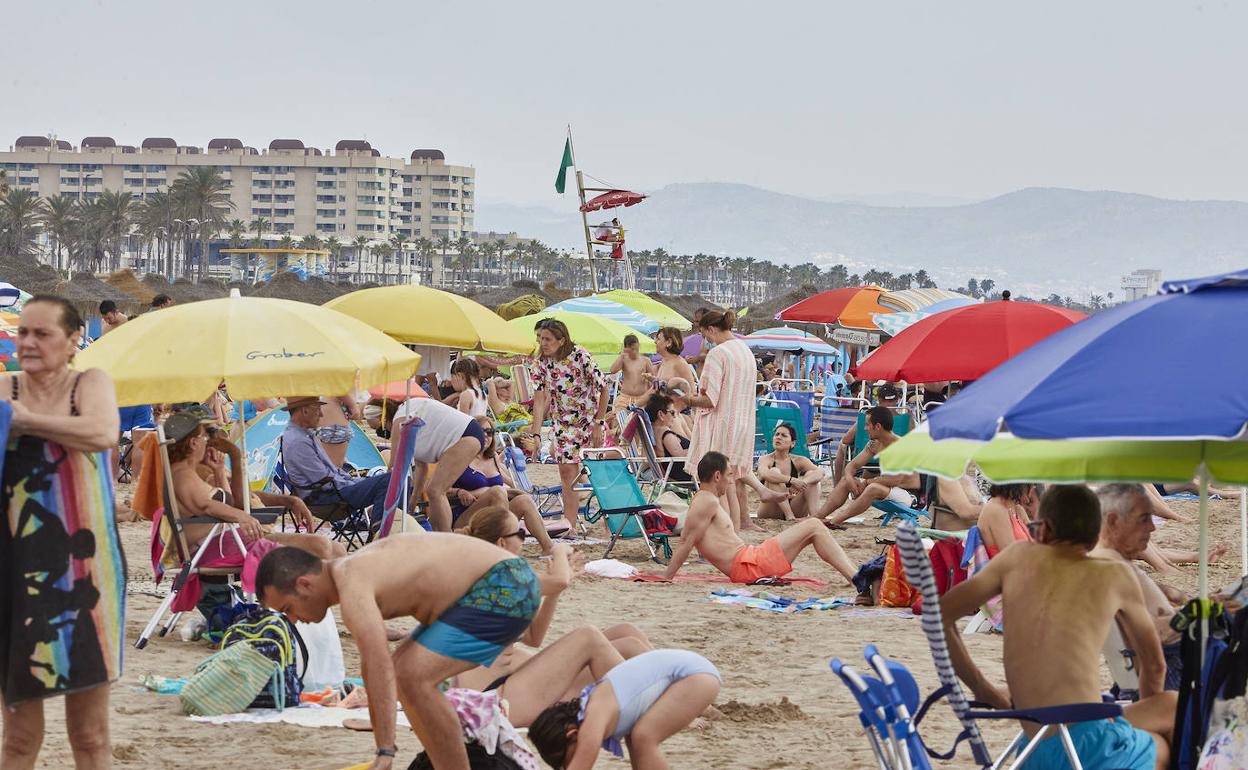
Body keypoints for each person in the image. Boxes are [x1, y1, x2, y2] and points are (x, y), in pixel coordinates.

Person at [255, 533, 542, 770]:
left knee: (412, 675)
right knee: (407, 674)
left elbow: (376, 664)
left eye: (287, 609)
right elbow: (378, 669)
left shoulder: (352, 585)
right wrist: (384, 745)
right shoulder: (350, 571)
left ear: (304, 584)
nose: (292, 620)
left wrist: (385, 751)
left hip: (506, 584)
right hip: (497, 583)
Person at [941, 485, 1175, 770]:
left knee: (1155, 714)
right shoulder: (1114, 574)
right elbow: (1155, 667)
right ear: (1096, 532)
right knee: (1170, 723)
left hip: (1033, 747)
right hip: (1087, 747)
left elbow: (942, 616)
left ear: (1046, 527)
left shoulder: (1016, 558)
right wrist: (1143, 717)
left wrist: (983, 689)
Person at [0, 295, 124, 769]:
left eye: (42, 333)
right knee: (18, 736)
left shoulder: (88, 384)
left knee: (90, 736)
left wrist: (25, 422)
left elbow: (102, 432)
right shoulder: (4, 388)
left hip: (85, 577)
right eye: (22, 333)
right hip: (15, 575)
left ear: (74, 341)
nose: (28, 343)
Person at [1091, 483, 1227, 691]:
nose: (1152, 527)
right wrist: (1202, 609)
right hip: (1171, 672)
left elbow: (1146, 600)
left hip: (1169, 662)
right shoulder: (1112, 569)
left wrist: (1180, 596)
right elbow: (1157, 635)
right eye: (1144, 519)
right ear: (1113, 521)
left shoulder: (1113, 563)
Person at [652, 452, 856, 585]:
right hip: (748, 567)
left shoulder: (707, 500)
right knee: (813, 525)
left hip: (749, 562)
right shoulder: (706, 501)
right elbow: (686, 541)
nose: (731, 480)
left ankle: (855, 576)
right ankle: (856, 578)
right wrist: (667, 576)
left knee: (813, 528)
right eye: (729, 475)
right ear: (717, 476)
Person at [165, 410, 344, 560]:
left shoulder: (189, 472)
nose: (211, 440)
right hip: (214, 549)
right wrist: (243, 517)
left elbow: (227, 503)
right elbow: (207, 505)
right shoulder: (183, 475)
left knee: (337, 549)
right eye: (205, 436)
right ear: (193, 443)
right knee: (321, 547)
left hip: (225, 540)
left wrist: (219, 470)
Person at [527, 649, 721, 769]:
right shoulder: (591, 709)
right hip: (690, 670)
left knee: (644, 736)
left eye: (564, 761)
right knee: (636, 738)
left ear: (571, 734)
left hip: (695, 676)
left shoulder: (593, 718)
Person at [685, 309, 769, 532]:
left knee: (717, 483)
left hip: (720, 426)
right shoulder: (745, 351)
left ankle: (725, 532)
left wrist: (687, 399)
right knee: (734, 479)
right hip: (742, 424)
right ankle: (740, 525)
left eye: (705, 335)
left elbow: (710, 399)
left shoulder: (718, 354)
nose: (706, 340)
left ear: (711, 329)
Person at [526, 318, 610, 533]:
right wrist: (536, 433)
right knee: (567, 474)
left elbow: (604, 388)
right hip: (563, 424)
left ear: (561, 340)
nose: (543, 343)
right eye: (540, 338)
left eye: (547, 339)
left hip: (590, 419)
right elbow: (538, 400)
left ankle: (612, 522)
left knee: (599, 471)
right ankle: (569, 525)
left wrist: (600, 422)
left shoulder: (580, 355)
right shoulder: (541, 363)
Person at [281, 396, 398, 529]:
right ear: (305, 411)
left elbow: (328, 474)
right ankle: (379, 531)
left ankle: (382, 527)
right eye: (317, 409)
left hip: (328, 492)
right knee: (390, 481)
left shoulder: (302, 435)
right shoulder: (298, 441)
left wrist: (355, 481)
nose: (321, 414)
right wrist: (354, 482)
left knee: (394, 480)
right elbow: (322, 480)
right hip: (326, 498)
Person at [447, 417, 558, 553]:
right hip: (465, 517)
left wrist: (515, 491)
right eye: (481, 431)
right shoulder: (461, 456)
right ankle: (501, 550)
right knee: (498, 492)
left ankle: (549, 548)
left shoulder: (493, 457)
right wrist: (459, 491)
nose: (486, 436)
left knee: (524, 500)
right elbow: (440, 490)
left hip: (495, 517)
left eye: (489, 432)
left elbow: (508, 483)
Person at [388, 396, 491, 532]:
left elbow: (394, 467)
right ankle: (441, 535)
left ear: (383, 420)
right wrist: (412, 502)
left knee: (436, 491)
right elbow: (422, 467)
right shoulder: (413, 420)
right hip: (468, 433)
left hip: (466, 435)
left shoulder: (400, 419)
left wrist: (385, 496)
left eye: (378, 429)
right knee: (434, 491)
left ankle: (445, 538)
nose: (385, 435)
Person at [814, 406, 920, 527]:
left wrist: (866, 482)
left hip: (910, 496)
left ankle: (835, 521)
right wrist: (849, 478)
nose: (865, 429)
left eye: (867, 425)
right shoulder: (875, 444)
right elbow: (852, 465)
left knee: (873, 487)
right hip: (889, 490)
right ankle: (817, 517)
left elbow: (896, 480)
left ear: (878, 426)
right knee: (845, 481)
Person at [833, 382, 905, 482]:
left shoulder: (870, 417)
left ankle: (837, 484)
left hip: (869, 461)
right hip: (895, 464)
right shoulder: (907, 419)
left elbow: (846, 439)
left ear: (879, 400)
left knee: (842, 444)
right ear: (897, 400)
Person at [756, 423, 823, 521]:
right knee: (774, 472)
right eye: (777, 434)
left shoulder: (799, 460)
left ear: (792, 443)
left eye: (784, 435)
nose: (778, 437)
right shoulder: (765, 459)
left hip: (795, 506)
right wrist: (792, 480)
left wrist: (803, 482)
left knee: (811, 476)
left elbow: (820, 472)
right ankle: (789, 515)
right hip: (771, 510)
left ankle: (816, 516)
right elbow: (764, 473)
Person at [642, 394, 692, 484]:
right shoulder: (665, 434)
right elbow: (679, 454)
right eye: (672, 412)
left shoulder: (653, 433)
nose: (675, 416)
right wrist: (697, 450)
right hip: (684, 475)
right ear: (661, 415)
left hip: (677, 472)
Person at [978, 483, 1039, 556]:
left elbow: (1036, 540)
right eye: (1031, 486)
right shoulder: (996, 510)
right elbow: (1012, 555)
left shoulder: (1018, 509)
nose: (1028, 497)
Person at [609, 334, 652, 420]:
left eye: (636, 349)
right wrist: (622, 355)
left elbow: (654, 378)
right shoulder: (624, 360)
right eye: (632, 349)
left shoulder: (645, 360)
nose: (635, 351)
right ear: (626, 348)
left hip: (642, 398)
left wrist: (649, 376)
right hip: (625, 398)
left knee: (640, 423)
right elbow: (612, 370)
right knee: (619, 421)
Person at [316, 394, 361, 469]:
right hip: (334, 424)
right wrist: (353, 406)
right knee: (333, 468)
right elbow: (337, 387)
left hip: (332, 420)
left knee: (330, 466)